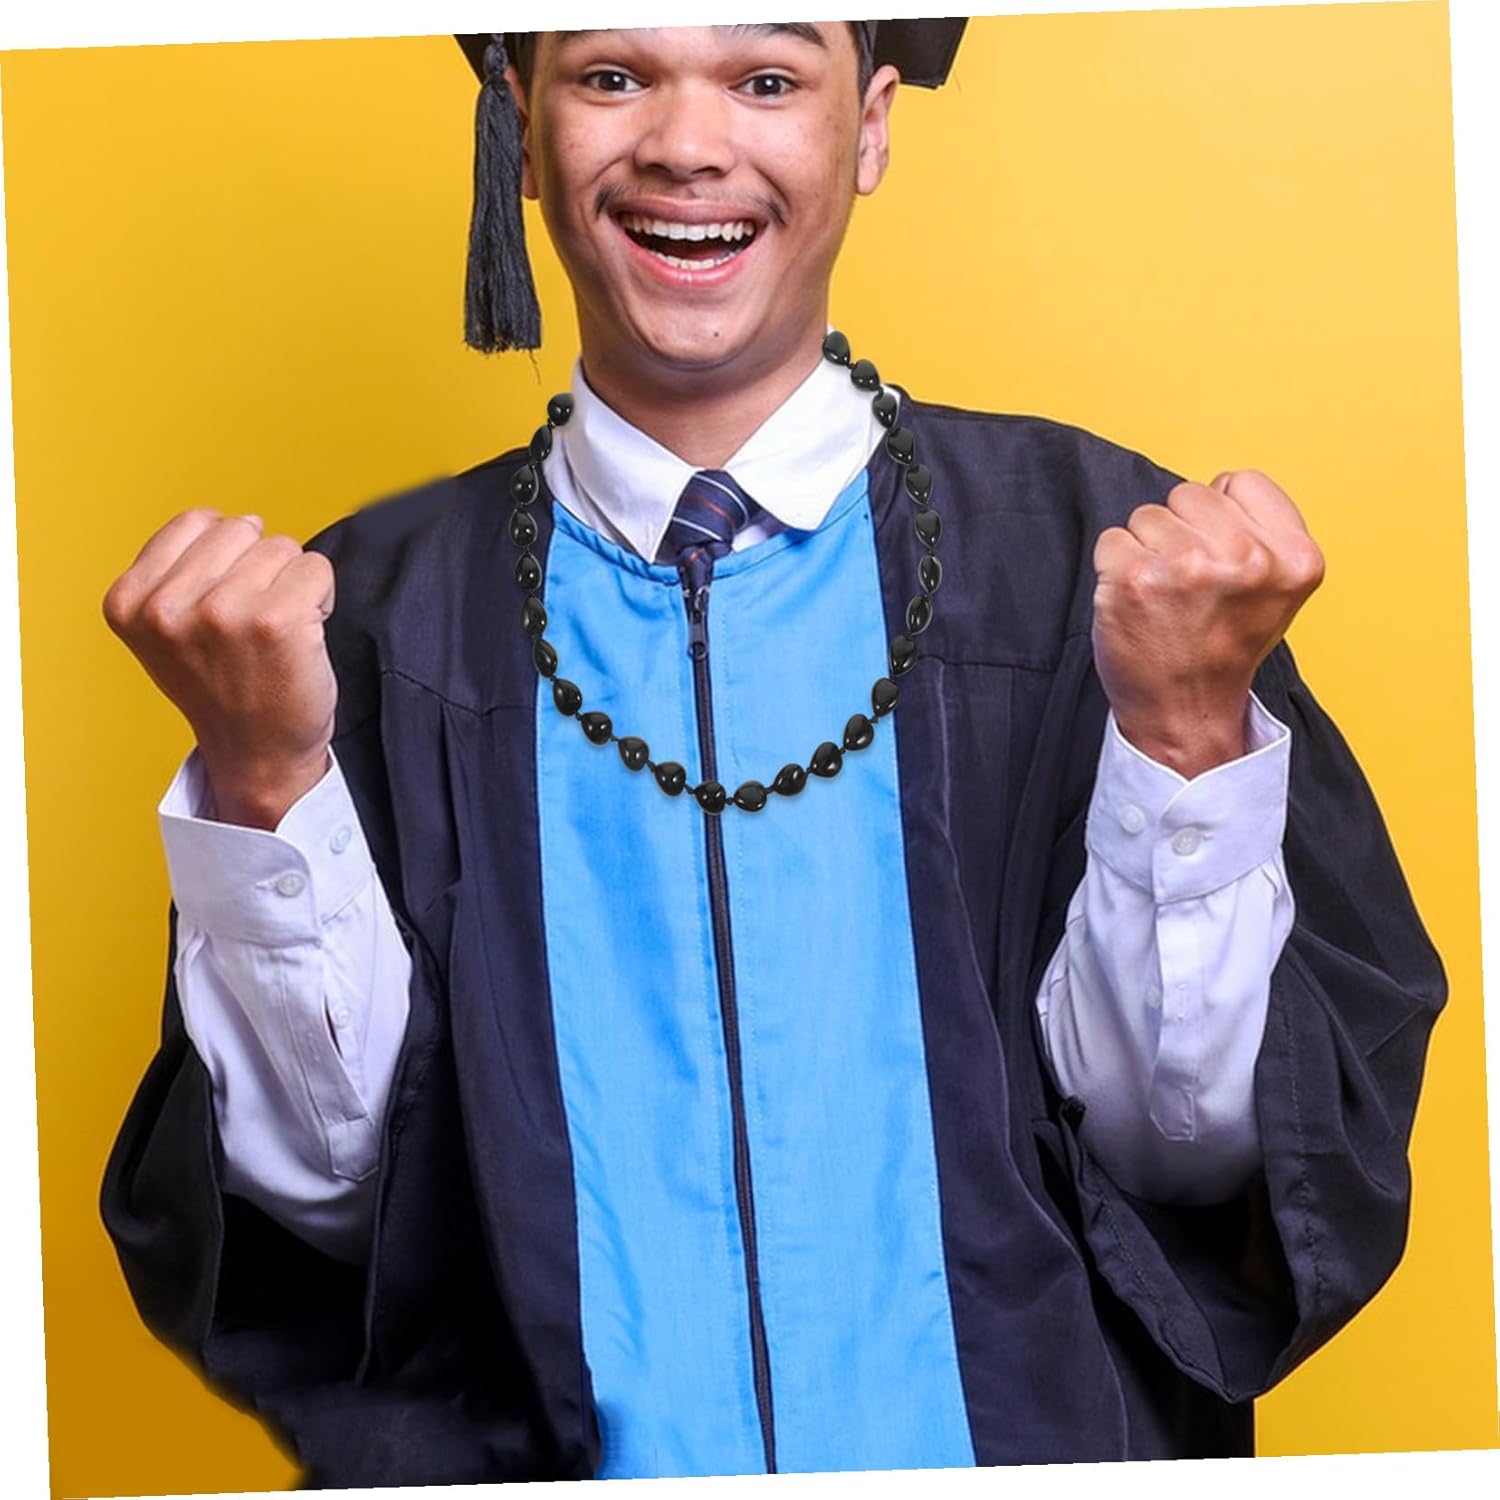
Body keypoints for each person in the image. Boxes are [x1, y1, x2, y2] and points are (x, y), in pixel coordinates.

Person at [98, 20, 1446, 1490]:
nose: (687, 145)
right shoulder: (368, 621)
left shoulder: (1104, 566)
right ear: (521, 125)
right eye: (612, 76)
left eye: (766, 79)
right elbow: (337, 1211)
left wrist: (1184, 738)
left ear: (869, 126)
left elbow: (1194, 1161)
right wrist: (264, 782)